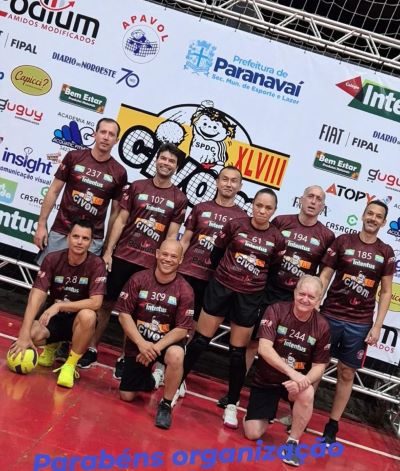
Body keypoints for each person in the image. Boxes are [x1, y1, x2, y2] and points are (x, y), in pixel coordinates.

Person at [217, 185, 335, 408]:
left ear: (323, 206)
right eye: (310, 196)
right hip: (269, 290)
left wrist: (317, 299)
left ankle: (274, 401)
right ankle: (234, 394)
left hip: (297, 299)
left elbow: (324, 273)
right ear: (301, 199)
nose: (313, 201)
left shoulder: (327, 235)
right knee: (254, 343)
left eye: (318, 199)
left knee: (286, 348)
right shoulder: (281, 221)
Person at [181, 188, 286, 428]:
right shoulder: (235, 225)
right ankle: (176, 385)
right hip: (221, 288)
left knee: (238, 353)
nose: (262, 211)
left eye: (268, 208)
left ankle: (231, 404)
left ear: (274, 211)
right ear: (252, 205)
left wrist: (251, 287)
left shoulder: (277, 238)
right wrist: (227, 277)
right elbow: (216, 254)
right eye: (259, 205)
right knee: (199, 341)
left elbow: (273, 272)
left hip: (249, 297)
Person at [79, 143, 188, 373]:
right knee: (105, 305)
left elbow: (171, 236)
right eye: (163, 158)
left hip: (148, 266)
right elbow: (120, 220)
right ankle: (91, 348)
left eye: (171, 161)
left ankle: (125, 358)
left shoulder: (179, 198)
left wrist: (161, 266)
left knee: (137, 313)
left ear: (176, 167)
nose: (166, 163)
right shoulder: (137, 186)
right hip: (122, 257)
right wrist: (108, 251)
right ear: (156, 160)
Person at [319, 200, 394, 446]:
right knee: (316, 366)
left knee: (346, 372)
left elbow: (386, 292)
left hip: (359, 323)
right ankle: (299, 413)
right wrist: (315, 303)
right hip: (330, 315)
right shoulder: (343, 241)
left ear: (384, 222)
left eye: (378, 216)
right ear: (362, 215)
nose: (373, 218)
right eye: (370, 213)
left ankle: (332, 425)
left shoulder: (386, 251)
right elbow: (326, 275)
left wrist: (377, 325)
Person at [243, 276, 331, 467]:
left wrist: (303, 381)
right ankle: (264, 414)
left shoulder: (322, 326)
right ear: (294, 292)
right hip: (267, 380)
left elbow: (319, 366)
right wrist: (293, 373)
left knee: (307, 391)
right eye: (302, 294)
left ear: (319, 300)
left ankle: (292, 443)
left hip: (294, 385)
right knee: (252, 433)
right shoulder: (276, 310)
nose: (305, 299)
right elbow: (264, 349)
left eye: (311, 297)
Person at [9, 219, 107, 388]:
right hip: (54, 319)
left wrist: (59, 305)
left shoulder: (97, 264)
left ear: (91, 242)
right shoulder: (52, 259)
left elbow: (96, 303)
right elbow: (36, 296)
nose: (79, 242)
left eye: (85, 238)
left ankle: (70, 365)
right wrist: (24, 333)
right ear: (68, 237)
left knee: (88, 315)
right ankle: (51, 348)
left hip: (77, 322)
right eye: (75, 236)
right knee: (30, 333)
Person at [113, 239, 194, 430]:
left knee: (176, 355)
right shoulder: (138, 279)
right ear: (157, 254)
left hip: (164, 345)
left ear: (181, 260)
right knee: (126, 396)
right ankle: (151, 380)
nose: (168, 259)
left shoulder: (185, 290)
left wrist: (154, 348)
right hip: (140, 343)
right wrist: (142, 344)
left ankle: (165, 404)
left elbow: (182, 329)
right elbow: (123, 315)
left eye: (173, 256)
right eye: (164, 254)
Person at [34, 118, 127, 263]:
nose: (106, 137)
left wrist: (108, 248)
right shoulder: (74, 157)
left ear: (116, 140)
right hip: (61, 231)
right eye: (103, 132)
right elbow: (53, 191)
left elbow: (115, 214)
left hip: (92, 240)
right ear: (95, 134)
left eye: (111, 134)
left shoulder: (119, 172)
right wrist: (41, 225)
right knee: (47, 275)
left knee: (80, 279)